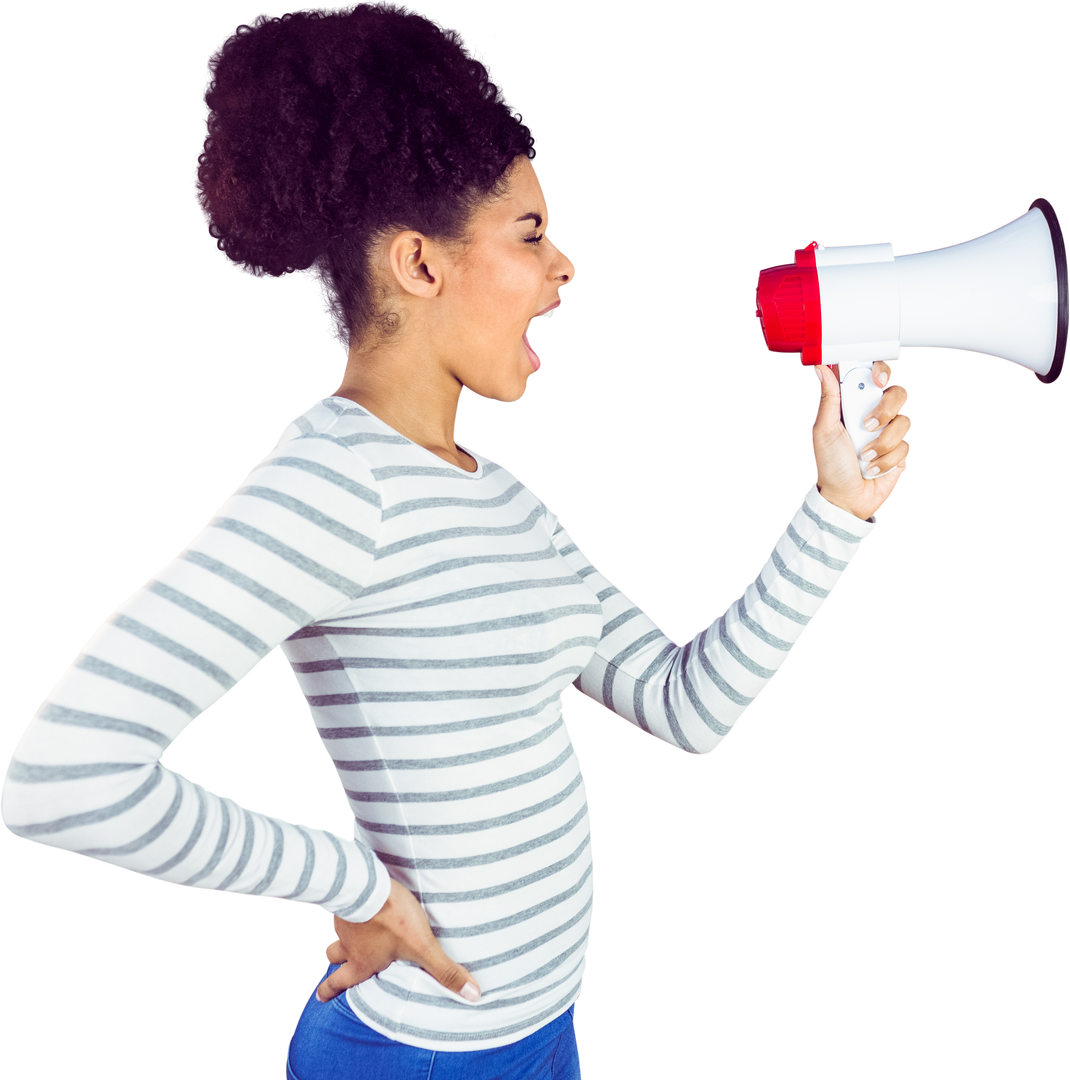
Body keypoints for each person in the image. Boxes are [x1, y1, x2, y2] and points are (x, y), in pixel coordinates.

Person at [0, 3, 912, 1078]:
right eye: (530, 234)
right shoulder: (329, 483)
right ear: (419, 266)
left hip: (546, 1033)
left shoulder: (505, 500)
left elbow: (686, 708)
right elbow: (62, 780)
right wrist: (353, 884)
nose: (566, 265)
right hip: (408, 1058)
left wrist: (835, 511)